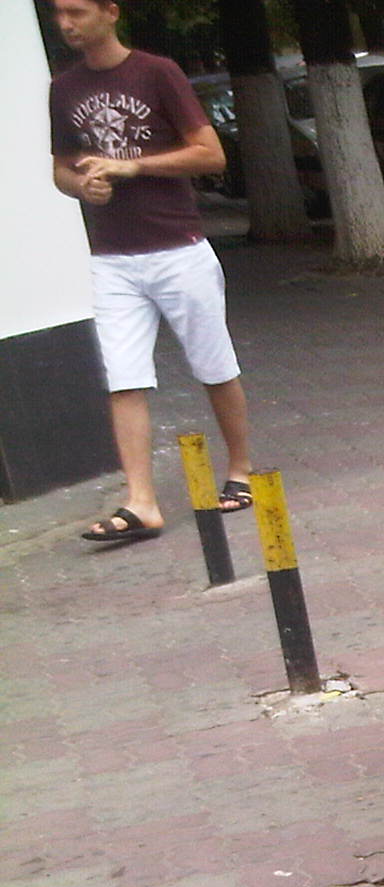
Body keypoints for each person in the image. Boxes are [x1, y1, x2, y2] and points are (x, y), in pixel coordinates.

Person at [48, 0, 257, 545]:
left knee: (213, 364)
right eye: (58, 14)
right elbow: (61, 169)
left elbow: (210, 154)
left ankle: (240, 470)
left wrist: (133, 165)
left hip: (178, 247)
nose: (66, 24)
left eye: (77, 12)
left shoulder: (157, 72)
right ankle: (141, 502)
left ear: (110, 12)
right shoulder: (63, 88)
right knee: (123, 376)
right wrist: (82, 185)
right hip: (112, 257)